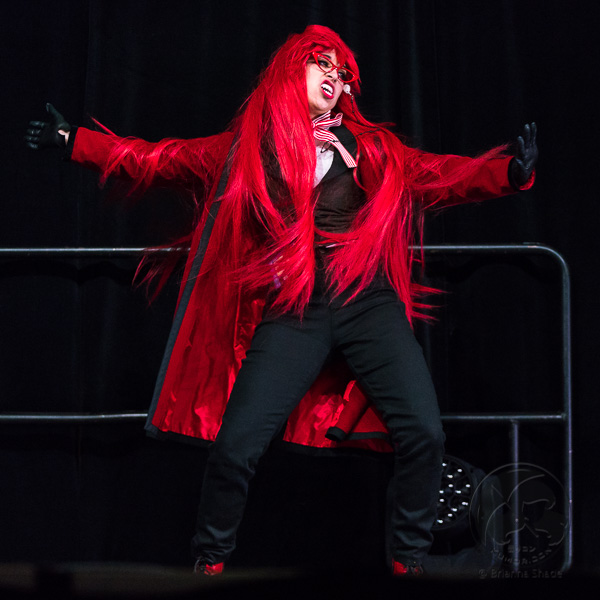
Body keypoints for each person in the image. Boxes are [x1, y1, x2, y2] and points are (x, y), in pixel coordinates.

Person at [25, 24, 537, 577]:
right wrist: (73, 141)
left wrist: (507, 173)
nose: (333, 78)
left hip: (367, 299)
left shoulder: (368, 147)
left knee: (425, 433)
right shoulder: (246, 149)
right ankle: (209, 565)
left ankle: (406, 565)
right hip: (297, 308)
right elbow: (158, 159)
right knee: (235, 446)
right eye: (322, 65)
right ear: (293, 70)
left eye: (341, 72)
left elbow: (437, 174)